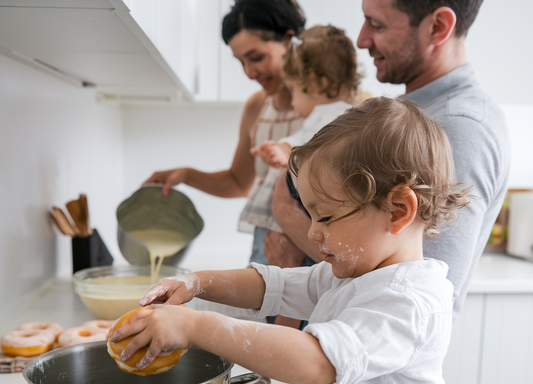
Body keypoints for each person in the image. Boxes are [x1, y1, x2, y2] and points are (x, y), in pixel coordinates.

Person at [110, 97, 480, 384]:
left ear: (398, 211)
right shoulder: (358, 273)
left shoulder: (410, 300)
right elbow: (276, 286)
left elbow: (317, 362)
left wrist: (195, 326)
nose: (312, 232)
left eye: (326, 216)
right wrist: (197, 282)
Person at [270, 0, 510, 321]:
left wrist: (289, 216)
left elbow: (410, 294)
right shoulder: (405, 113)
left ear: (438, 26)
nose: (361, 39)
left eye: (377, 24)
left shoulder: (457, 127)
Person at [143, 0, 307, 270]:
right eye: (241, 61)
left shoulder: (329, 107)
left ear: (288, 39)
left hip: (314, 257)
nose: (249, 72)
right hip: (265, 252)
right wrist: (185, 174)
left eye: (257, 57)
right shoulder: (257, 107)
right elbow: (238, 183)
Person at [244, 24, 369, 236]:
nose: (293, 102)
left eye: (294, 91)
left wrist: (283, 151)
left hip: (296, 226)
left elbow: (311, 148)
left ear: (319, 83)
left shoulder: (330, 116)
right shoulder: (357, 116)